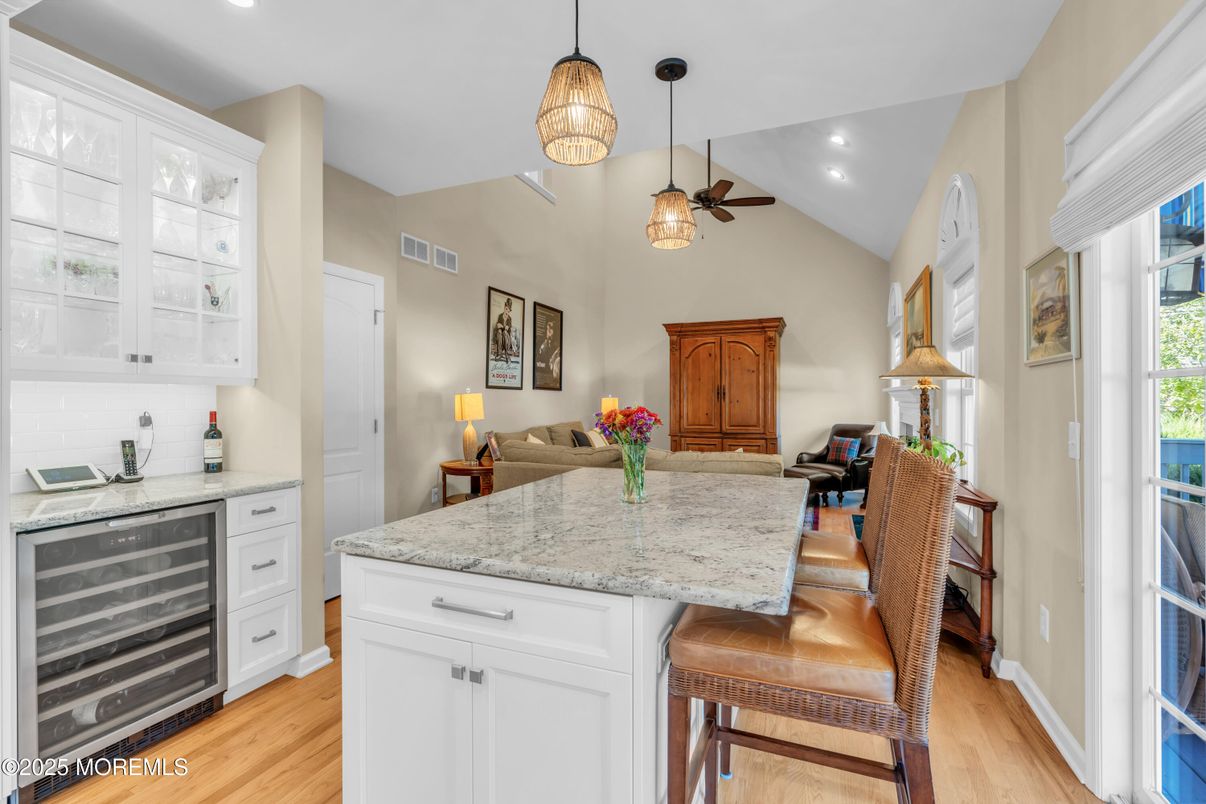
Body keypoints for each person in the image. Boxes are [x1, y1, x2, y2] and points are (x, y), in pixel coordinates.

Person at [492, 297, 513, 363]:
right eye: (506, 309)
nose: (507, 312)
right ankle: (499, 354)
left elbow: (506, 328)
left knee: (504, 332)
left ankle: (506, 354)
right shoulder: (500, 316)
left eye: (508, 311)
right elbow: (498, 326)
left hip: (507, 339)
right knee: (499, 331)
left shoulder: (509, 319)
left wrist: (503, 326)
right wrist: (499, 326)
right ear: (504, 308)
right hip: (500, 338)